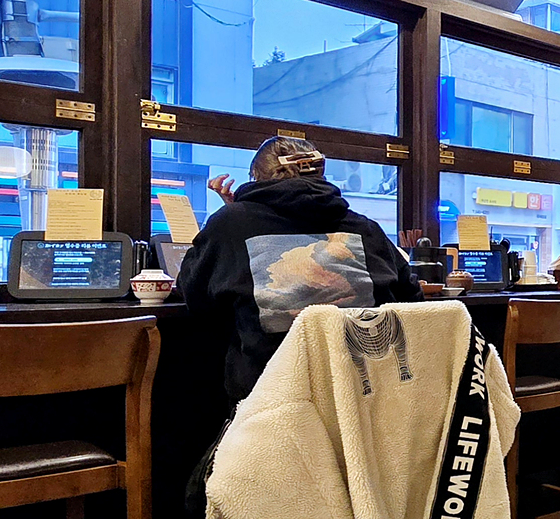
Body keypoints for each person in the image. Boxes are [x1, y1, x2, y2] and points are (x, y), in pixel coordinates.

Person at [179, 136, 421, 400]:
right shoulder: (366, 228)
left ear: (256, 177)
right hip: (363, 393)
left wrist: (233, 217)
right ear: (320, 173)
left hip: (269, 398)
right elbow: (411, 300)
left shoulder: (231, 224)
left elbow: (196, 297)